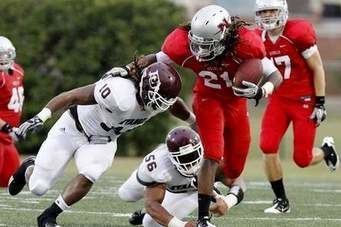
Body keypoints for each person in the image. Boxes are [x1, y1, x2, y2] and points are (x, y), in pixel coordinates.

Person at [113, 5, 283, 226]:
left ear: (225, 36)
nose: (200, 50)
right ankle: (203, 217)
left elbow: (275, 75)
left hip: (236, 105)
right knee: (212, 154)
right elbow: (153, 59)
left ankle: (191, 184)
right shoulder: (182, 45)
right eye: (198, 42)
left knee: (233, 169)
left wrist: (262, 91)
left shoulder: (246, 46)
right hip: (207, 98)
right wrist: (126, 70)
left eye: (207, 44)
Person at [8, 62, 194, 227]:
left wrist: (193, 120)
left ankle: (49, 216)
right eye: (158, 99)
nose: (158, 106)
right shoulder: (119, 93)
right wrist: (41, 117)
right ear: (146, 87)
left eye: (163, 101)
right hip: (73, 128)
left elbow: (173, 103)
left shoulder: (158, 99)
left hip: (103, 141)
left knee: (90, 174)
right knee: (38, 187)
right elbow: (71, 96)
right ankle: (29, 168)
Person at [254, 0, 339, 214]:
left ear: (282, 11)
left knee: (302, 159)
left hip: (304, 99)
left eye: (272, 10)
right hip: (279, 99)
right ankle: (281, 201)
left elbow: (318, 68)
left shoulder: (298, 32)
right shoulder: (257, 37)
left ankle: (327, 150)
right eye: (263, 11)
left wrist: (320, 102)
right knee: (267, 146)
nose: (267, 15)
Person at [118, 126, 246, 227]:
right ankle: (152, 188)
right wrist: (184, 225)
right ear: (171, 157)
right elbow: (152, 203)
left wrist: (228, 202)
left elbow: (237, 180)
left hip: (190, 192)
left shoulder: (211, 157)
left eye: (194, 154)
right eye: (184, 157)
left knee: (150, 224)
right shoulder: (161, 165)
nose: (190, 162)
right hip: (163, 179)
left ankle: (148, 214)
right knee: (125, 194)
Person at [0, 36, 24, 187]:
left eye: (4, 54)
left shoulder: (18, 71)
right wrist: (7, 127)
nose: (2, 58)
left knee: (10, 182)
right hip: (2, 132)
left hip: (7, 138)